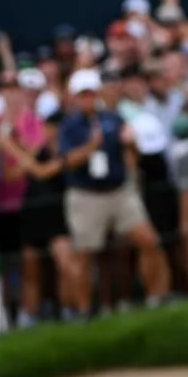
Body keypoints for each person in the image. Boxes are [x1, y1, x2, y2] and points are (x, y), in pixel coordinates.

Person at [60, 67, 170, 312]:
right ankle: (84, 313)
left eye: (91, 93)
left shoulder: (113, 118)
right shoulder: (69, 125)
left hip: (118, 190)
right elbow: (67, 161)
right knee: (85, 255)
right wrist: (91, 145)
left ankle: (158, 299)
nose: (88, 98)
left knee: (148, 240)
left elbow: (130, 155)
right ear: (76, 97)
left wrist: (133, 146)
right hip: (86, 195)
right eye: (83, 94)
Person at [0, 94, 88, 320]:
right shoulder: (38, 149)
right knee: (31, 269)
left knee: (65, 263)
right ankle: (30, 315)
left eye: (52, 126)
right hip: (33, 212)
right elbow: (12, 175)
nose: (48, 130)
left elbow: (40, 171)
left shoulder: (68, 150)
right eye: (47, 125)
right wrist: (7, 148)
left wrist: (10, 147)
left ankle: (76, 310)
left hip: (58, 213)